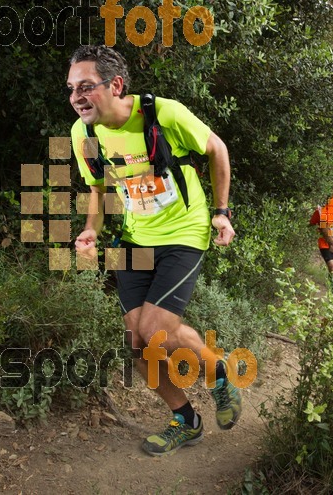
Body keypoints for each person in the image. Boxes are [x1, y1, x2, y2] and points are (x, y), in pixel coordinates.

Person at [66, 45, 241, 457]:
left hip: (184, 231)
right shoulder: (83, 134)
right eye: (72, 88)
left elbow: (217, 149)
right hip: (134, 237)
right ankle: (186, 420)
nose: (76, 97)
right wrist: (91, 230)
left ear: (116, 85)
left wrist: (221, 212)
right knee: (137, 342)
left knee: (154, 331)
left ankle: (219, 374)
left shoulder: (164, 113)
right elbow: (98, 189)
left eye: (86, 87)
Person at [309, 206, 333, 275]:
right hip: (324, 244)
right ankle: (332, 285)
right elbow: (311, 225)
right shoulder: (320, 211)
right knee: (332, 267)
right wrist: (320, 229)